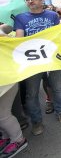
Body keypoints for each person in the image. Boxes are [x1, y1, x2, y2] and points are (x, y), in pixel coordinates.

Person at [14, 0, 61, 136]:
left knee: (56, 88)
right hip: (32, 62)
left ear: (41, 0)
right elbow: (19, 39)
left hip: (52, 59)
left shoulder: (52, 15)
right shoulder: (20, 18)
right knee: (31, 94)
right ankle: (37, 122)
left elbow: (59, 33)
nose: (30, 1)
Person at [0, 25, 28, 157]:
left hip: (6, 80)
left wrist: (2, 33)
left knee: (3, 115)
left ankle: (18, 140)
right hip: (4, 79)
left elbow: (11, 33)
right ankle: (6, 137)